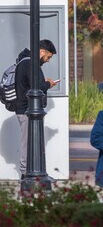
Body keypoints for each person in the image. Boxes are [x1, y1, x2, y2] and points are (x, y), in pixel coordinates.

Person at [14, 39, 59, 177]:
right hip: (27, 110)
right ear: (42, 52)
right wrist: (48, 84)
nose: (48, 60)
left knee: (32, 144)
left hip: (28, 110)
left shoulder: (25, 61)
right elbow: (37, 87)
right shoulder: (30, 63)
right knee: (27, 145)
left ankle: (33, 173)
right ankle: (25, 174)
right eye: (48, 57)